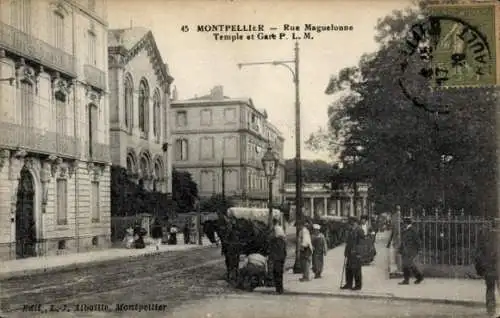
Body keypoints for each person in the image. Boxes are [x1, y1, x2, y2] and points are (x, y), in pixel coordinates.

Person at [475, 222, 498, 317]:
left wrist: (481, 267)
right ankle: (491, 310)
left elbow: (479, 255)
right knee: (491, 288)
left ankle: (491, 310)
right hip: (493, 266)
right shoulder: (490, 237)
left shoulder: (485, 237)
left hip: (489, 267)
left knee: (490, 289)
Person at [398, 217, 424, 285]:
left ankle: (407, 280)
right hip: (405, 250)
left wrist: (418, 250)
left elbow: (418, 241)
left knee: (407, 264)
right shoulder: (405, 230)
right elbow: (403, 241)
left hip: (411, 251)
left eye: (403, 223)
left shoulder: (413, 230)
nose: (402, 224)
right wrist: (400, 249)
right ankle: (419, 277)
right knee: (408, 265)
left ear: (406, 223)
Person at [341, 216, 364, 290]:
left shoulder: (360, 230)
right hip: (350, 253)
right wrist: (346, 251)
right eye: (350, 223)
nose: (351, 224)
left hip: (356, 253)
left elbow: (361, 243)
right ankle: (349, 284)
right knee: (348, 268)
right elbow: (348, 242)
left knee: (356, 269)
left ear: (355, 222)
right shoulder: (351, 230)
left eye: (352, 222)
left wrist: (357, 252)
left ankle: (358, 285)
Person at [269, 219, 287, 294]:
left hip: (277, 258)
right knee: (279, 273)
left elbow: (273, 250)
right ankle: (280, 288)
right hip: (281, 258)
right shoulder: (282, 241)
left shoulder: (276, 241)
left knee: (277, 273)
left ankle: (279, 289)